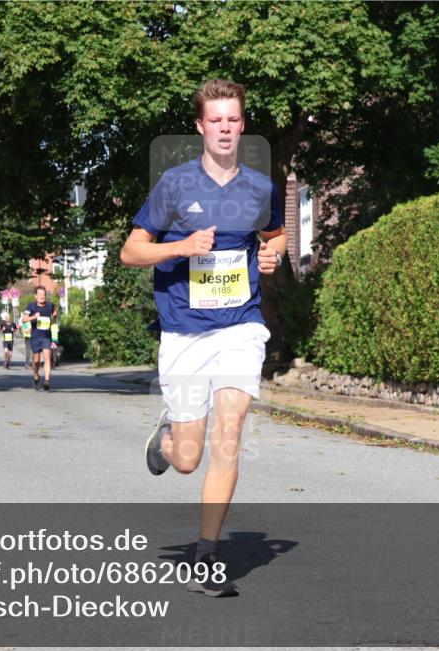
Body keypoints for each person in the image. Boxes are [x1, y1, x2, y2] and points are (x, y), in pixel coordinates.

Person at [120, 79, 287, 597]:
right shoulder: (174, 185)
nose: (224, 128)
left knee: (230, 434)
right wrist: (181, 247)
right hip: (185, 333)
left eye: (233, 120)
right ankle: (168, 437)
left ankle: (206, 558)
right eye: (215, 120)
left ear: (242, 125)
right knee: (189, 457)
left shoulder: (260, 188)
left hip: (240, 326)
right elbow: (131, 251)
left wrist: (272, 255)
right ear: (200, 126)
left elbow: (276, 234)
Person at [21, 286, 57, 391]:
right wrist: (34, 317)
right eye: (39, 294)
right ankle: (36, 377)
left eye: (43, 294)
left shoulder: (50, 306)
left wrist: (54, 317)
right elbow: (24, 319)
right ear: (36, 296)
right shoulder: (31, 306)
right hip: (35, 337)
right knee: (36, 361)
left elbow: (54, 314)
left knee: (47, 358)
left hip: (46, 337)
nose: (42, 296)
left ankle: (46, 381)